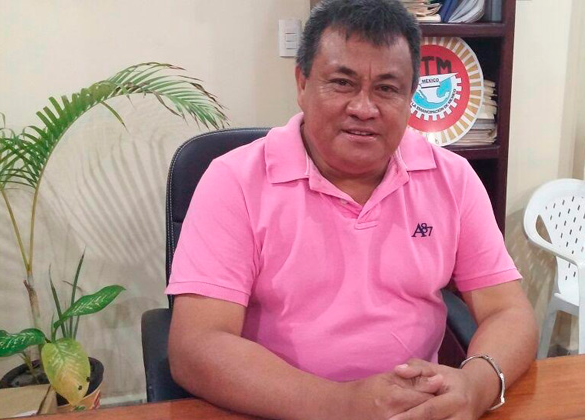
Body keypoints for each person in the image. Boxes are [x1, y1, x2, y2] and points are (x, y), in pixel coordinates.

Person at [166, 0, 538, 419]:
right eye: (342, 83)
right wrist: (341, 404)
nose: (364, 108)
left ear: (410, 97)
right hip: (277, 409)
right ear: (302, 83)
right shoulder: (234, 180)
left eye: (387, 88)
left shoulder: (452, 178)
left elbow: (509, 311)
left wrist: (476, 385)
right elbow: (196, 344)